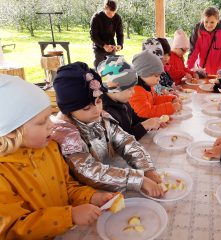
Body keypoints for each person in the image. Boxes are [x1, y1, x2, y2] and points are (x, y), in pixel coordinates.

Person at [0, 75, 114, 239]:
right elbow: (12, 228)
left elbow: (67, 187)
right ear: (10, 131)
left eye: (50, 116)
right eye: (41, 122)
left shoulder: (50, 148)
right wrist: (69, 216)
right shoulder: (3, 173)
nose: (52, 125)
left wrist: (92, 196)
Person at [51, 62, 164, 198]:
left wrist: (146, 168)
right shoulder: (66, 134)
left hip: (111, 186)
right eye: (86, 108)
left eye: (99, 101)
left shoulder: (101, 117)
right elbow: (90, 171)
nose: (97, 110)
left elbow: (126, 142)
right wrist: (137, 179)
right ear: (68, 110)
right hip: (88, 197)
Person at [98, 56, 164, 140]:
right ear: (114, 89)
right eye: (129, 89)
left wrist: (152, 121)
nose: (133, 92)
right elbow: (122, 141)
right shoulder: (107, 113)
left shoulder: (123, 101)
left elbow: (136, 119)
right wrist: (144, 126)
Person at [129, 50, 182, 118]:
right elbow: (147, 112)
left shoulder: (148, 86)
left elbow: (155, 100)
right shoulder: (136, 91)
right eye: (156, 76)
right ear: (143, 73)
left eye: (159, 76)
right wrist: (171, 107)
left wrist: (171, 99)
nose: (159, 79)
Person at [187, 6, 221, 75]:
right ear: (203, 20)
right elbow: (193, 50)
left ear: (217, 20)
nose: (208, 25)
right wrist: (190, 69)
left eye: (212, 22)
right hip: (203, 71)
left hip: (219, 72)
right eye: (206, 22)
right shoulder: (197, 30)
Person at [90, 0, 124, 68]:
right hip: (99, 47)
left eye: (113, 13)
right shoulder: (96, 17)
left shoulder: (117, 18)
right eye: (109, 13)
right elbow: (93, 35)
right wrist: (104, 46)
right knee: (99, 69)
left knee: (112, 70)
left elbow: (120, 34)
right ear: (104, 8)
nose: (111, 15)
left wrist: (120, 45)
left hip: (111, 47)